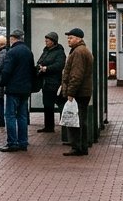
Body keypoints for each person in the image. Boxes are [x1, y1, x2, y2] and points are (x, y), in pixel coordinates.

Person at [59, 27, 94, 156]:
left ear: (79, 39)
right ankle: (82, 146)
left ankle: (77, 147)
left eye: (71, 38)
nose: (68, 40)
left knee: (75, 120)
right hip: (83, 91)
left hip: (78, 93)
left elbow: (76, 75)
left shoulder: (78, 52)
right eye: (68, 38)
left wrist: (70, 93)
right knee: (80, 119)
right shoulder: (82, 50)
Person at [0, 30, 35, 152]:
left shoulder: (12, 52)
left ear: (13, 38)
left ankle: (12, 142)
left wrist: (2, 83)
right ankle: (23, 142)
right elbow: (32, 70)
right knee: (23, 116)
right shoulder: (28, 51)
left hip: (13, 89)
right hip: (25, 89)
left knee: (10, 115)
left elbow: (7, 71)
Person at [35, 31, 66, 133]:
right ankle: (48, 126)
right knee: (47, 105)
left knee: (57, 104)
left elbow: (59, 65)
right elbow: (40, 61)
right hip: (45, 82)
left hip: (54, 82)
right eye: (45, 40)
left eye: (47, 40)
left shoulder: (59, 52)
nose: (46, 42)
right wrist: (39, 67)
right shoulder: (46, 51)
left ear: (53, 41)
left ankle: (63, 125)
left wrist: (46, 68)